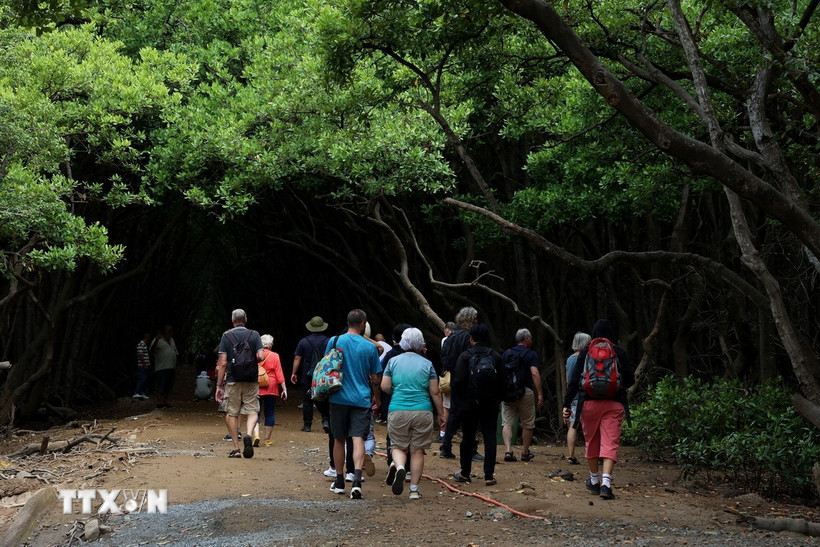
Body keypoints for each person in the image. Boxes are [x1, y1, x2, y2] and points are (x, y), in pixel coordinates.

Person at [562, 319, 634, 500]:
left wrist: (566, 404)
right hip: (614, 404)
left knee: (592, 441)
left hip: (589, 404)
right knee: (610, 443)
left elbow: (574, 381)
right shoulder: (618, 352)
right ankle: (606, 485)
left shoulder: (586, 352)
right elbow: (630, 380)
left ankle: (594, 481)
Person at [381, 328, 445, 500]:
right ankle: (414, 490)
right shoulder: (427, 364)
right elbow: (435, 392)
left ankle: (400, 467)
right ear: (421, 343)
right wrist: (441, 414)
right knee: (417, 451)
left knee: (397, 446)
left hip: (398, 409)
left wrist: (397, 390)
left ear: (402, 342)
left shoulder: (393, 361)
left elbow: (384, 386)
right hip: (422, 411)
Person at [327, 309, 382, 499]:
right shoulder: (369, 348)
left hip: (338, 397)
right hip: (361, 399)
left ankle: (339, 480)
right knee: (358, 438)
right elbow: (376, 378)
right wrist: (376, 396)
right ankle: (356, 481)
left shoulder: (334, 341)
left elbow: (327, 365)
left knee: (339, 439)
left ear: (348, 322)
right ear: (363, 324)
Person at [450, 323, 504, 486]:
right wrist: (497, 399)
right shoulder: (495, 357)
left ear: (471, 338)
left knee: (468, 437)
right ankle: (489, 476)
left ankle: (465, 473)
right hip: (490, 404)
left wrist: (461, 401)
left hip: (469, 403)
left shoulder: (465, 356)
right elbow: (503, 381)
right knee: (490, 436)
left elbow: (458, 381)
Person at [215, 309, 264, 459]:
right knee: (252, 410)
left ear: (233, 321)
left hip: (233, 380)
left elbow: (223, 363)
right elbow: (261, 356)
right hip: (251, 379)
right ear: (245, 320)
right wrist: (251, 360)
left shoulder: (226, 336)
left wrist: (219, 385)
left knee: (232, 413)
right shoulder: (254, 334)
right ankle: (249, 434)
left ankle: (236, 449)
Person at [439, 307, 480, 460]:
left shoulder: (451, 337)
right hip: (468, 381)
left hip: (454, 380)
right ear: (471, 320)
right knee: (471, 415)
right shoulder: (469, 338)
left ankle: (446, 447)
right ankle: (471, 449)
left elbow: (445, 359)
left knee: (454, 415)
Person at [500, 328, 544, 462]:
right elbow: (534, 373)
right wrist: (540, 393)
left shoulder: (506, 353)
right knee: (527, 423)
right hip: (525, 392)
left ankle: (508, 451)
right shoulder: (531, 354)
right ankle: (525, 453)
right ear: (526, 340)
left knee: (507, 422)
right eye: (531, 338)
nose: (532, 340)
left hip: (508, 393)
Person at [291, 316, 330, 432]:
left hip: (308, 375)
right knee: (325, 398)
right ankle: (326, 420)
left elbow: (297, 358)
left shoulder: (304, 341)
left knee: (307, 400)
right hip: (323, 375)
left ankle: (307, 425)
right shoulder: (328, 341)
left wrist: (294, 373)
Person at [564, 331, 591, 464]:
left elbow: (568, 380)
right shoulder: (587, 358)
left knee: (573, 425)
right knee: (590, 426)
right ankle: (593, 455)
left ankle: (571, 455)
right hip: (586, 396)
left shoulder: (569, 359)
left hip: (573, 396)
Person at [258, 334, 287, 446]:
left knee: (255, 413)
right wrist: (284, 388)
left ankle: (255, 435)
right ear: (270, 345)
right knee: (269, 412)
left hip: (257, 386)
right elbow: (279, 373)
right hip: (271, 386)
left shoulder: (256, 355)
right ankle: (267, 440)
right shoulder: (275, 356)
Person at [151, 325, 178, 409]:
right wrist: (156, 339)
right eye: (169, 331)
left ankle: (166, 402)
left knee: (168, 386)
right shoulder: (158, 340)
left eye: (171, 331)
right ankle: (160, 402)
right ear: (164, 331)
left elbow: (175, 352)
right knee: (161, 386)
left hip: (171, 367)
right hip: (161, 367)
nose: (171, 333)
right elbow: (152, 350)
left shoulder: (172, 340)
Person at [437, 322, 457, 441]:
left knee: (446, 405)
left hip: (448, 375)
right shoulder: (464, 339)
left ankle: (443, 433)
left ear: (447, 330)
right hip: (460, 376)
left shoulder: (445, 340)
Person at [132, 332, 151, 400]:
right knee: (142, 378)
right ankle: (136, 392)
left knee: (145, 379)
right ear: (146, 337)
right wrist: (144, 364)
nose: (149, 339)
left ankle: (142, 393)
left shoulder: (145, 345)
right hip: (142, 365)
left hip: (146, 365)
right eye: (149, 338)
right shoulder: (140, 344)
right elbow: (141, 355)